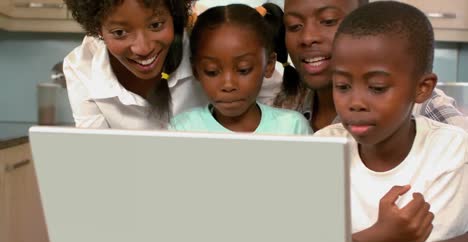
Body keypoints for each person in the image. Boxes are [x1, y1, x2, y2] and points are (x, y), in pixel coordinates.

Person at [314, 0, 468, 242]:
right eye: (342, 86)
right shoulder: (324, 146)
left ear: (422, 88)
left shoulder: (449, 150)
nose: (355, 103)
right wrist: (380, 235)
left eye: (377, 87)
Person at [63, 0, 282, 129]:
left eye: (156, 25)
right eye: (120, 33)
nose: (143, 48)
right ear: (97, 28)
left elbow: (274, 90)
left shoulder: (207, 44)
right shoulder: (82, 68)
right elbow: (96, 158)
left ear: (174, 14)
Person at [275, 0, 468, 133]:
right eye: (294, 26)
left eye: (328, 21)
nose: (308, 38)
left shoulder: (420, 104)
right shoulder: (282, 104)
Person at [170, 4, 310, 135]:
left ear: (269, 64)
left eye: (243, 70)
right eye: (212, 72)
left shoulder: (292, 128)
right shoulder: (182, 129)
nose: (228, 85)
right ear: (196, 71)